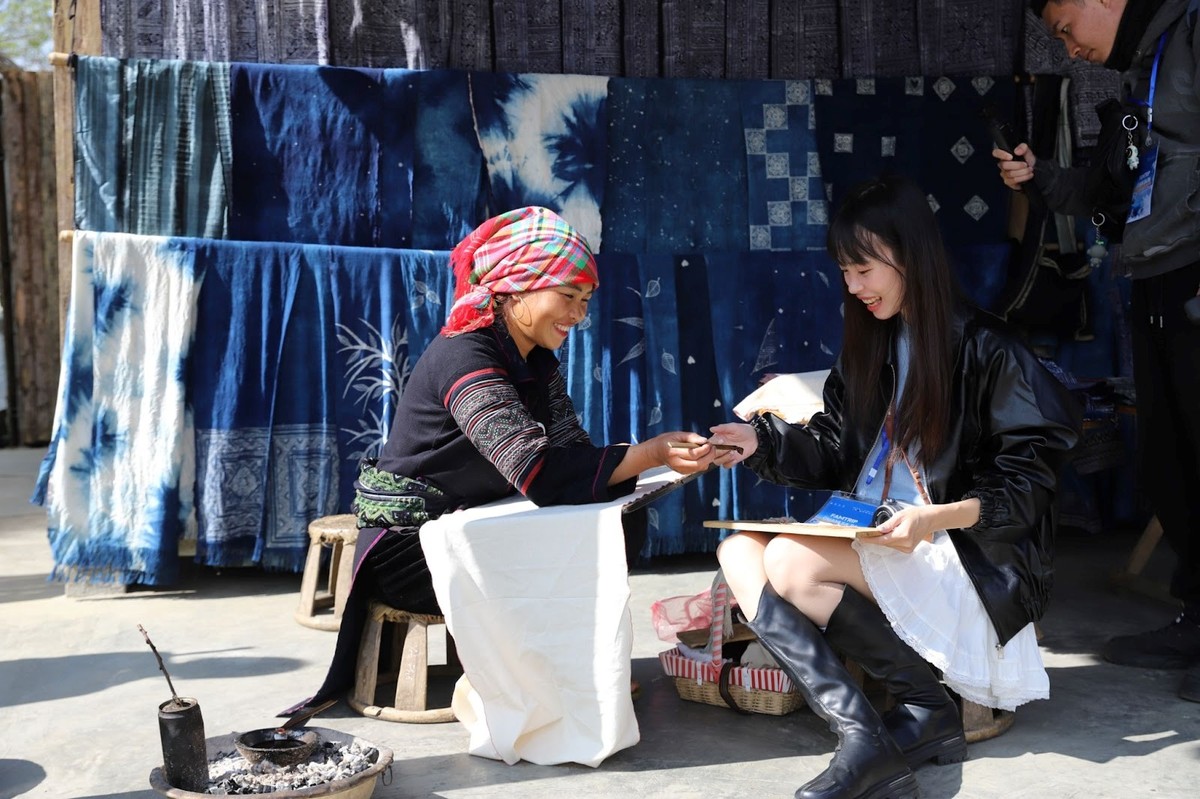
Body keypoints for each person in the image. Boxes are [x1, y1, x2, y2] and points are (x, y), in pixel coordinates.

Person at [706, 175, 1081, 799]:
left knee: (792, 561)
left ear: (911, 255)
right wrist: (760, 442)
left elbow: (1028, 487)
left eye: (864, 269)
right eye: (845, 272)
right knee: (737, 550)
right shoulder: (871, 346)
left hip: (963, 556)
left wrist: (932, 520)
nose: (853, 286)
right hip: (885, 536)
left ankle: (918, 710)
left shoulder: (990, 349)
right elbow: (833, 448)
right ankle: (872, 734)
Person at [285, 205, 715, 715]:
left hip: (469, 528)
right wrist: (648, 453)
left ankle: (570, 663)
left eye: (585, 301)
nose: (579, 315)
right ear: (517, 288)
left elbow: (572, 453)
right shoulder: (466, 356)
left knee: (622, 520)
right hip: (411, 553)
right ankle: (561, 669)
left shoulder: (536, 362)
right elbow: (540, 472)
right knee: (593, 523)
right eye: (568, 296)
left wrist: (651, 462)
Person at [994, 0, 1200, 703]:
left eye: (1064, 28)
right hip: (1156, 278)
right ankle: (1198, 616)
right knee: (1170, 461)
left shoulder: (1194, 29)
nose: (1068, 49)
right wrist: (1040, 177)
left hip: (1195, 275)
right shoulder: (1141, 72)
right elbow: (1112, 189)